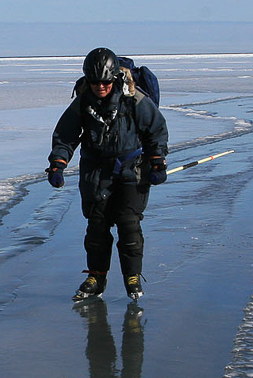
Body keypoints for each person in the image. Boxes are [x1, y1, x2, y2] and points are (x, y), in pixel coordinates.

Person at [47, 48, 169, 301]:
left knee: (129, 224)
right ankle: (96, 277)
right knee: (97, 226)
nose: (100, 87)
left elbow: (155, 130)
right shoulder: (83, 101)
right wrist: (58, 164)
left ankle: (132, 277)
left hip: (132, 169)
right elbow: (66, 135)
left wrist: (157, 163)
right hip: (96, 170)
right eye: (94, 82)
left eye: (105, 81)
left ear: (114, 78)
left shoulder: (133, 98)